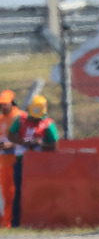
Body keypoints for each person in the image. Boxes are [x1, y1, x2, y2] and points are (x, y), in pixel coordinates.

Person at [8, 95, 58, 227]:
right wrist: (25, 143)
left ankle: (44, 221)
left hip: (41, 166)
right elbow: (11, 135)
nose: (35, 120)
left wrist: (41, 144)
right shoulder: (21, 120)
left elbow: (54, 147)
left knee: (42, 192)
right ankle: (16, 222)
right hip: (22, 162)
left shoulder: (48, 125)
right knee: (19, 192)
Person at [0, 90, 25, 229]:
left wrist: (12, 144)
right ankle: (6, 223)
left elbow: (28, 139)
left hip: (18, 161)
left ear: (12, 102)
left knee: (16, 193)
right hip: (4, 162)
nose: (3, 107)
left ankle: (16, 222)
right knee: (6, 195)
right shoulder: (1, 119)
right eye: (1, 104)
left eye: (5, 104)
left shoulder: (20, 118)